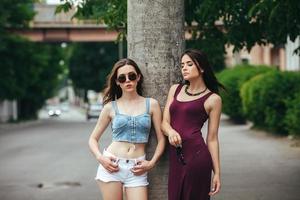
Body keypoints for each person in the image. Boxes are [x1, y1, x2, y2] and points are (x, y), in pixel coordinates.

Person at [88, 58, 165, 200]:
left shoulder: (152, 105)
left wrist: (151, 163)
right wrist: (101, 158)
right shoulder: (110, 107)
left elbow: (161, 139)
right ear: (117, 82)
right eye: (122, 78)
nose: (128, 80)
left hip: (137, 169)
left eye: (132, 76)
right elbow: (93, 139)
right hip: (112, 166)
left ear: (138, 77)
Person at [162, 49, 224, 200]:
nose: (184, 68)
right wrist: (170, 132)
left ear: (201, 68)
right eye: (182, 65)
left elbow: (212, 138)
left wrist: (217, 173)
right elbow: (164, 123)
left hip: (197, 157)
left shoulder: (213, 99)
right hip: (176, 158)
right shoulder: (175, 89)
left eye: (189, 64)